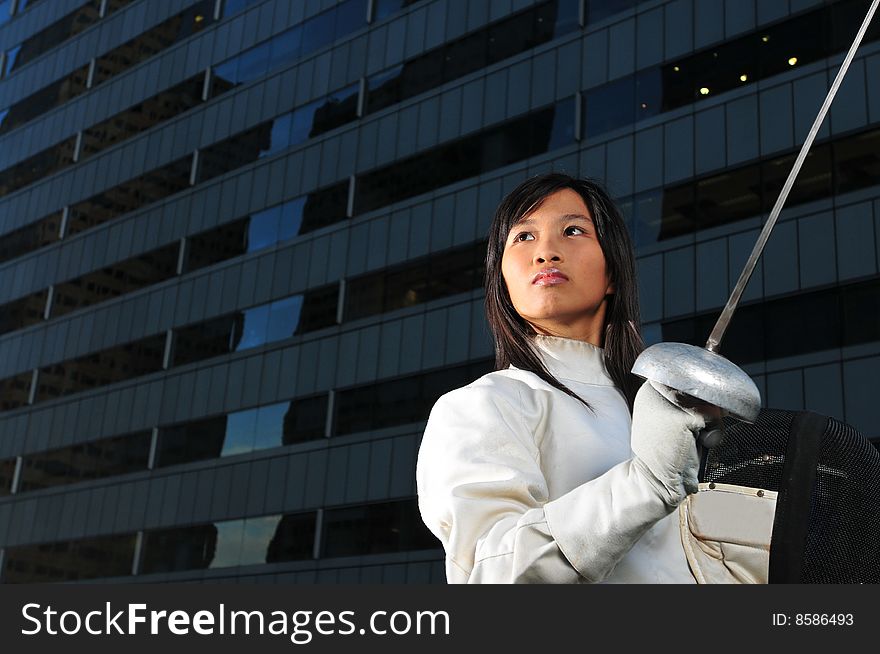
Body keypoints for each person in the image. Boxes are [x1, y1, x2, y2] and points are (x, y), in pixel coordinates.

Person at [416, 172, 707, 583]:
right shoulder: (485, 404)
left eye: (572, 231)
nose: (546, 252)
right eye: (523, 237)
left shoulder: (658, 406)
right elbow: (493, 573)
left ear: (611, 273)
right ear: (502, 279)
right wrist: (646, 485)